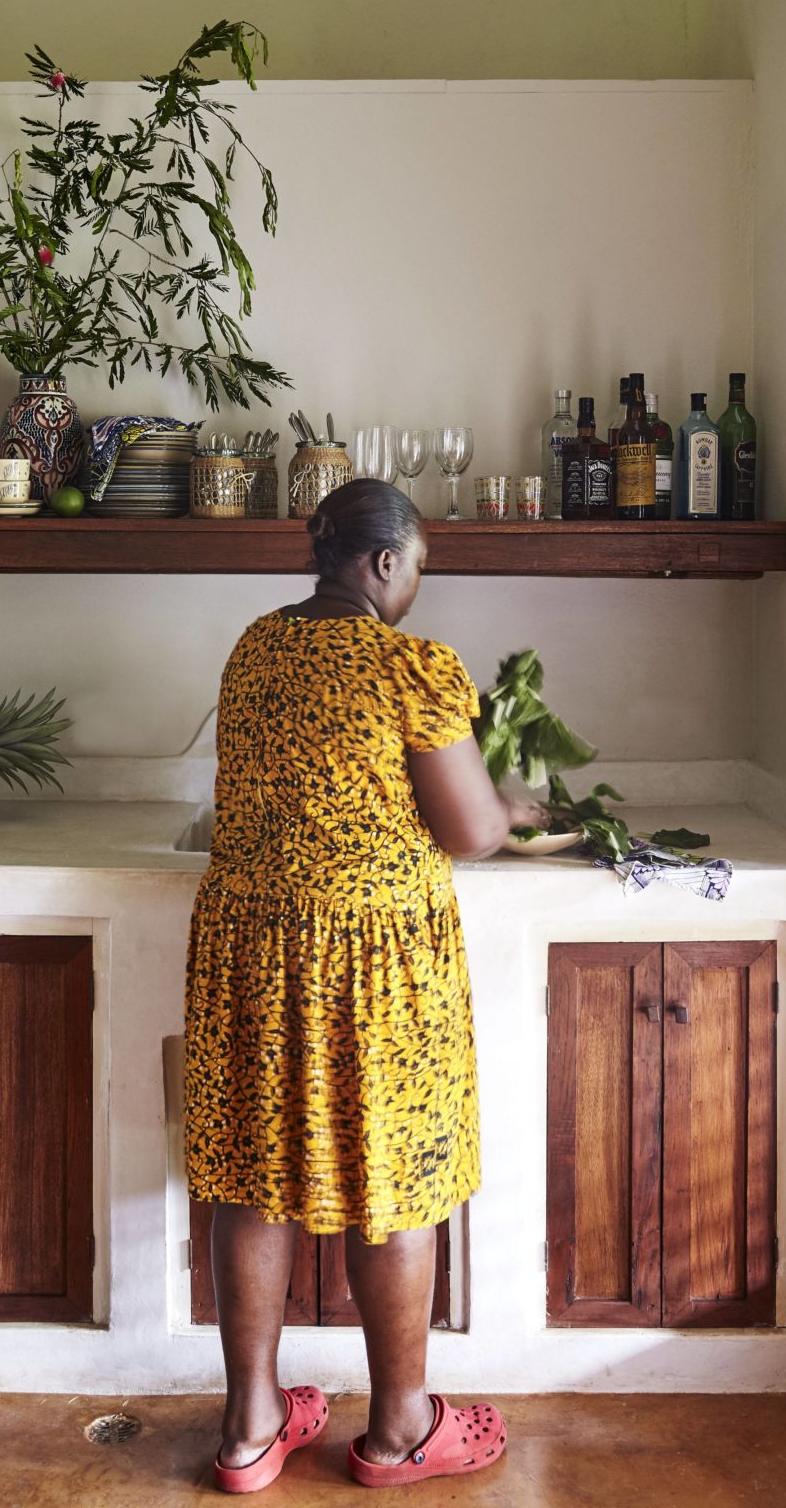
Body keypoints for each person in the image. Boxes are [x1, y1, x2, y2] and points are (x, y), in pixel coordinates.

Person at [184, 478, 546, 1493]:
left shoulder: (255, 648)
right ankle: (399, 1430)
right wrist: (511, 798)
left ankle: (253, 1426)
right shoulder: (410, 665)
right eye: (418, 569)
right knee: (395, 1175)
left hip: (252, 947)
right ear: (385, 561)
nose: (415, 590)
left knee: (254, 1171)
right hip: (373, 960)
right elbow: (469, 828)